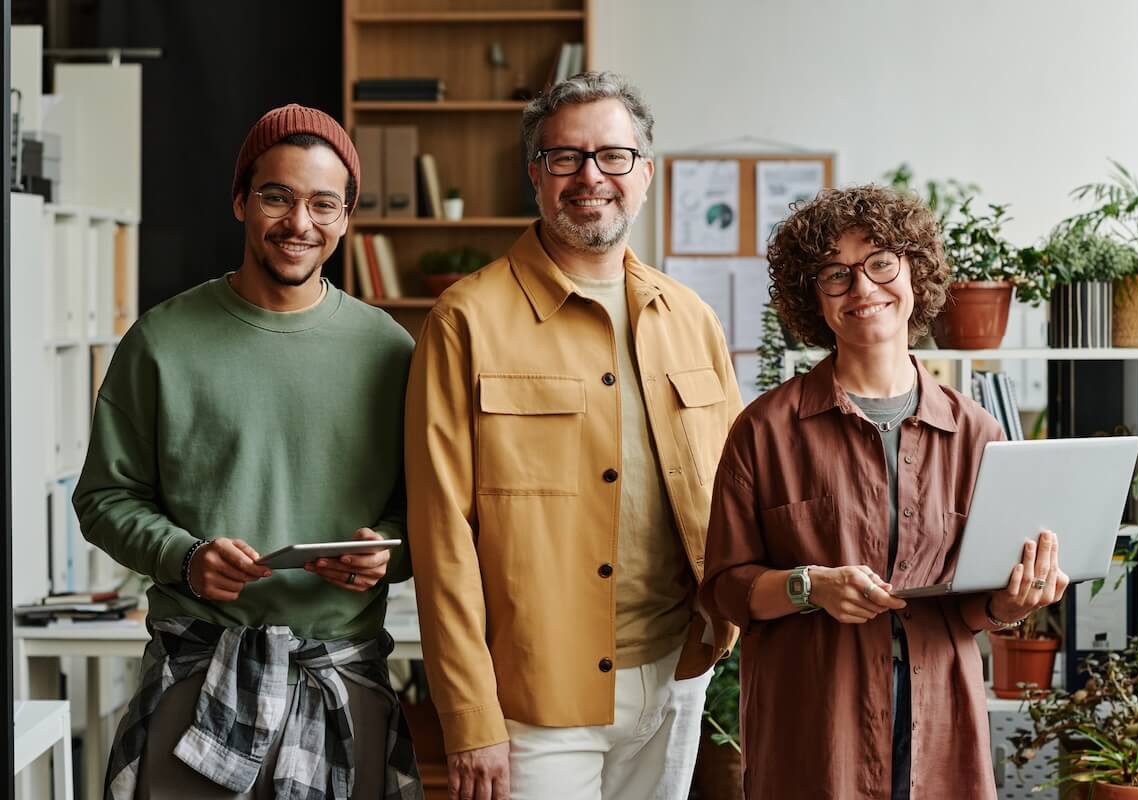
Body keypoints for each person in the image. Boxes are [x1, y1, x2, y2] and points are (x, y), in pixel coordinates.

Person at [404, 72, 741, 800]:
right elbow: (441, 539)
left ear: (644, 174)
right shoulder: (464, 321)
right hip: (534, 697)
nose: (591, 177)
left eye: (613, 156)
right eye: (565, 158)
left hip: (678, 674)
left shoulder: (692, 319)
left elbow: (734, 490)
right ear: (536, 175)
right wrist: (469, 716)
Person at [73, 104, 422, 800]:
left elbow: (431, 513)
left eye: (324, 204)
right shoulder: (162, 341)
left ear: (347, 217)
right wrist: (185, 556)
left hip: (342, 682)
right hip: (195, 682)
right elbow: (104, 498)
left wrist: (387, 549)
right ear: (240, 200)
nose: (301, 224)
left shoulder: (391, 351)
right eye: (277, 197)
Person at [697, 184, 1070, 800]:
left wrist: (1013, 604)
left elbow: (974, 604)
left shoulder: (977, 433)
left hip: (939, 718)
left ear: (914, 273)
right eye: (835, 275)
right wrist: (808, 586)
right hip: (817, 726)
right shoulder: (763, 429)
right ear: (812, 298)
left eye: (880, 263)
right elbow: (725, 589)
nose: (863, 289)